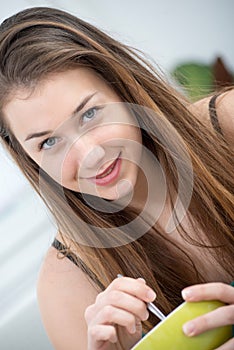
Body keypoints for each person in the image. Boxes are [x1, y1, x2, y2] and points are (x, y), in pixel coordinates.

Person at [0, 6, 233, 350]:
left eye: (90, 114)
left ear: (123, 88)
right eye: (49, 142)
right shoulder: (67, 286)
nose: (90, 155)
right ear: (28, 157)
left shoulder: (226, 125)